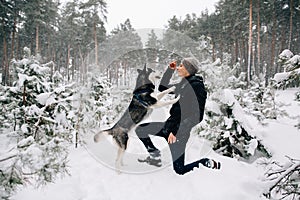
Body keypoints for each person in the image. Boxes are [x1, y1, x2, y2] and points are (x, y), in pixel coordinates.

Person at [136, 57, 221, 175]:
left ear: (188, 69)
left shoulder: (197, 87)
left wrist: (176, 131)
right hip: (168, 127)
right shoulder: (183, 84)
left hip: (178, 134)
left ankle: (205, 162)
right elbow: (163, 88)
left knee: (179, 170)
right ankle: (155, 156)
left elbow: (197, 116)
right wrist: (169, 71)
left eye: (181, 66)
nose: (178, 68)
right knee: (141, 130)